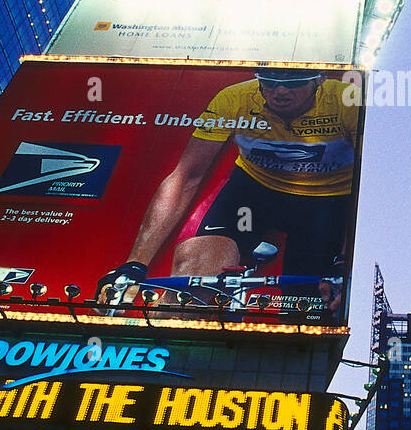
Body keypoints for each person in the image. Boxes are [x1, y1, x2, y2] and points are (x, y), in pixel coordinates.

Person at [95, 69, 358, 318]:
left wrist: (343, 263)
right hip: (254, 191)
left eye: (293, 84)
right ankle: (148, 353)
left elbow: (362, 188)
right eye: (268, 81)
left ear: (319, 80)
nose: (280, 92)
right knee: (194, 281)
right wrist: (134, 264)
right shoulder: (234, 98)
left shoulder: (346, 101)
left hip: (325, 201)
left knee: (307, 306)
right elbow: (186, 175)